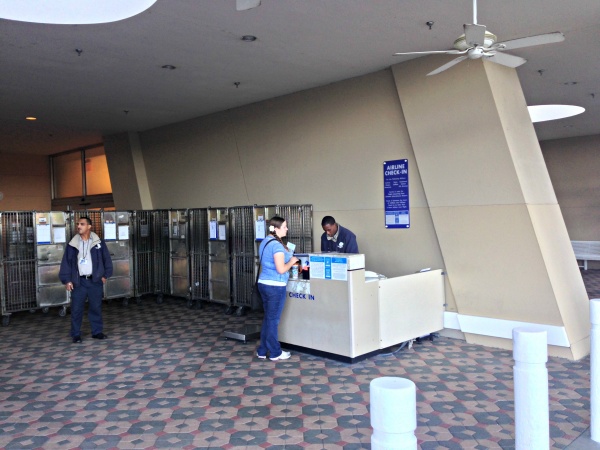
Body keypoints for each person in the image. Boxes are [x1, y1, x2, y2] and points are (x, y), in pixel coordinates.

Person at [59, 216, 113, 344]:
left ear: (89, 226)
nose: (79, 226)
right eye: (78, 224)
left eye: (82, 224)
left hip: (95, 281)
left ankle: (97, 331)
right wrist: (67, 280)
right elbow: (66, 263)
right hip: (79, 282)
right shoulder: (72, 244)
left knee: (96, 307)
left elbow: (107, 260)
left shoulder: (98, 243)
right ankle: (76, 334)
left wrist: (105, 275)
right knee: (76, 309)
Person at [256, 216, 298, 361]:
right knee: (273, 320)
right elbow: (281, 269)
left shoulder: (265, 242)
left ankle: (262, 350)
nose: (287, 229)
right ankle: (275, 352)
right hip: (275, 286)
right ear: (277, 228)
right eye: (285, 226)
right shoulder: (277, 246)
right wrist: (292, 262)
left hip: (263, 283)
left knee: (268, 318)